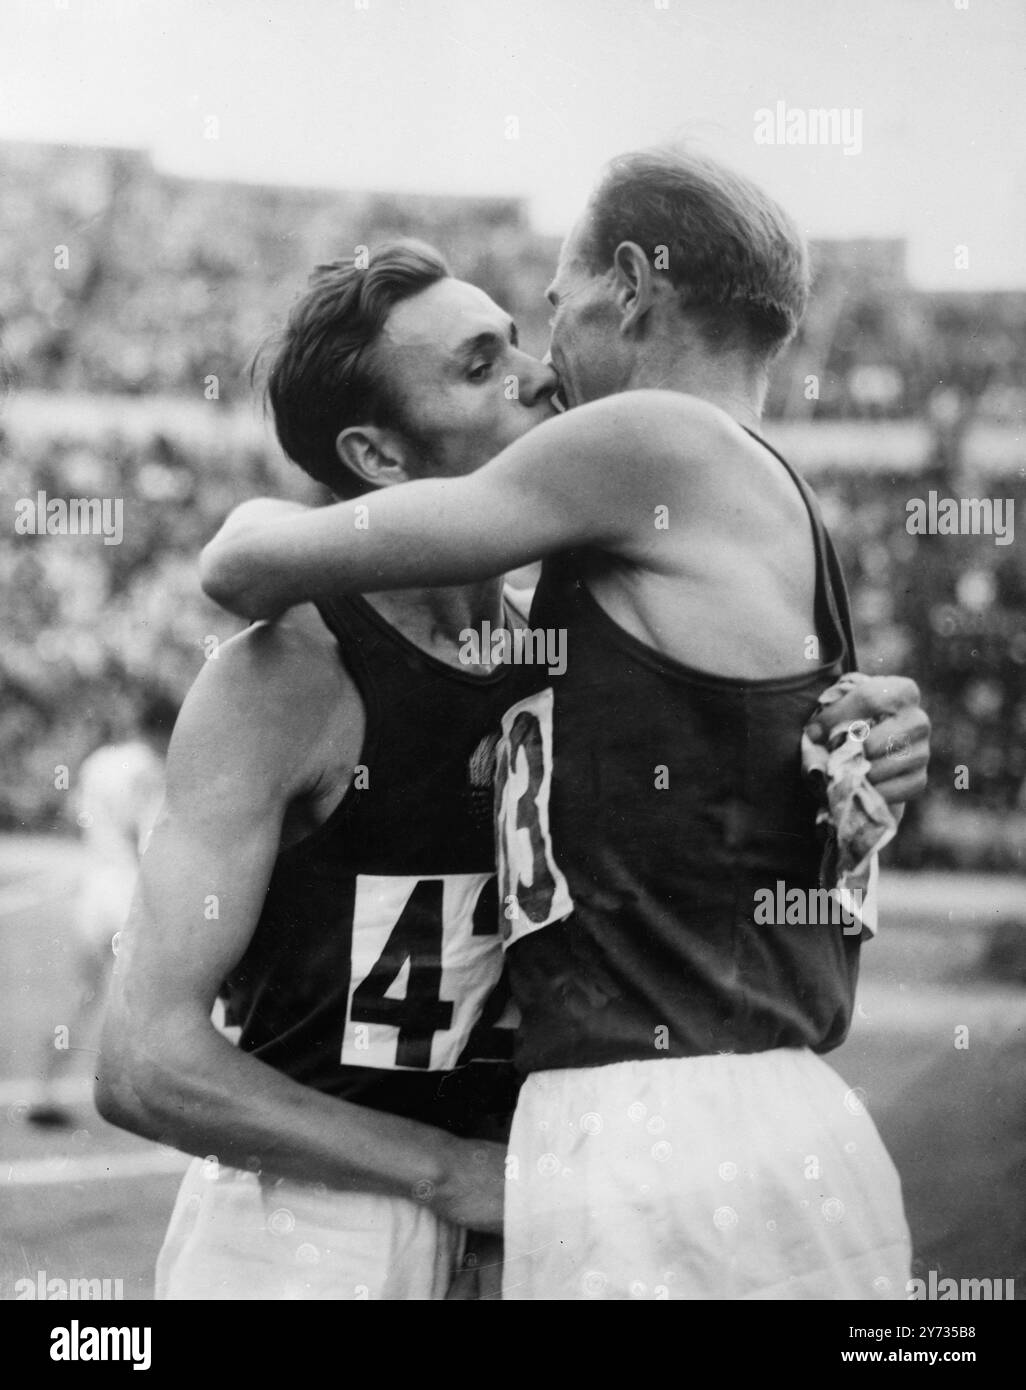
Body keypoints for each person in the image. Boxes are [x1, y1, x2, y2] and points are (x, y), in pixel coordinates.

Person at [201, 148, 931, 1300]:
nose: (545, 365)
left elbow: (247, 561)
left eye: (551, 308)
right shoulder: (744, 495)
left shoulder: (650, 441)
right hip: (730, 1117)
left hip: (666, 1124)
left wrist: (249, 520)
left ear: (633, 284)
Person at [95, 241, 562, 1300]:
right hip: (311, 1232)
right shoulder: (288, 673)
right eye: (479, 365)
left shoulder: (553, 636)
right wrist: (445, 1172)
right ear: (381, 461)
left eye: (518, 342)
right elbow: (142, 1061)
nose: (534, 373)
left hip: (506, 1215)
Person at [28, 703, 168, 1128]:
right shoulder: (150, 766)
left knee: (82, 993)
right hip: (129, 888)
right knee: (146, 1000)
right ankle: (142, 1101)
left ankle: (44, 1091)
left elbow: (78, 814)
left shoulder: (98, 762)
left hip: (95, 884)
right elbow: (148, 836)